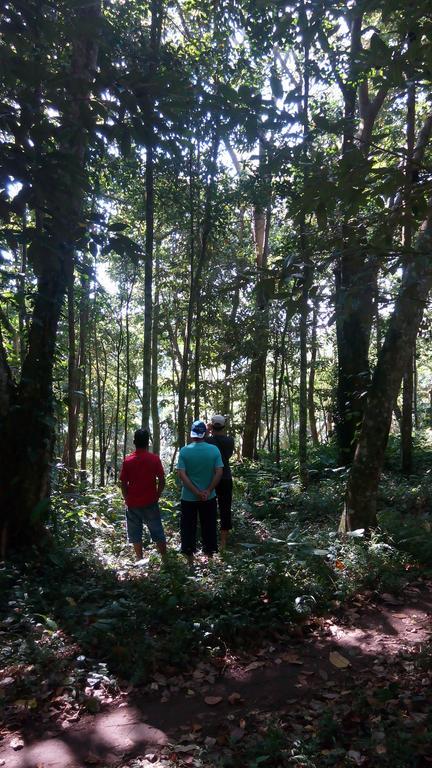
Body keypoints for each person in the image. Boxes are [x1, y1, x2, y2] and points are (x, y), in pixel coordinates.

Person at [177, 420, 223, 566]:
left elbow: (182, 475)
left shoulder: (184, 451)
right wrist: (208, 490)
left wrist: (196, 492)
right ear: (206, 433)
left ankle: (190, 560)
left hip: (189, 497)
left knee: (188, 527)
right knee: (209, 526)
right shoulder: (214, 450)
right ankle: (209, 559)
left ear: (192, 434)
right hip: (208, 497)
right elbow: (219, 472)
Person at [120, 428, 166, 562]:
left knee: (135, 534)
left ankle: (140, 559)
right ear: (148, 443)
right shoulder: (154, 459)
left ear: (134, 442)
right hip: (150, 501)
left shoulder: (128, 461)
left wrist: (126, 498)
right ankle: (165, 560)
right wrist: (157, 495)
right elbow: (162, 480)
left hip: (133, 503)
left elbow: (123, 483)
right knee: (157, 530)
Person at [206, 414, 235, 548]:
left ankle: (210, 539)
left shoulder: (208, 441)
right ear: (224, 426)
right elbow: (228, 456)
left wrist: (207, 431)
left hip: (211, 478)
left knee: (209, 508)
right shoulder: (230, 440)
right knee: (225, 508)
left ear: (212, 426)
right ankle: (223, 542)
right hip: (226, 477)